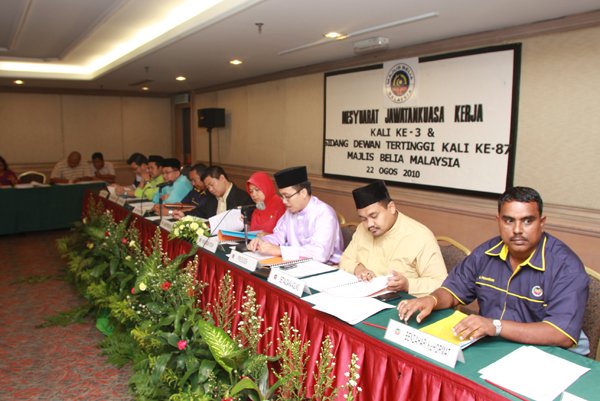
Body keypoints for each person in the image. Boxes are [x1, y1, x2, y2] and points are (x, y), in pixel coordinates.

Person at [397, 187, 590, 354]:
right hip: (495, 344)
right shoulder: (485, 254)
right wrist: (432, 299)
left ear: (542, 222)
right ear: (498, 221)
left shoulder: (566, 266)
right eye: (509, 220)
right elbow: (453, 290)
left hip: (551, 353)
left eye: (527, 221)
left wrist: (495, 326)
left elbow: (561, 334)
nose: (517, 230)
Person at [339, 180, 447, 297]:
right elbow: (345, 259)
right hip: (362, 296)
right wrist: (359, 269)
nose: (369, 224)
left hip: (402, 303)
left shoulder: (420, 236)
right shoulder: (362, 229)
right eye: (363, 219)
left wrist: (408, 284)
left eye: (374, 216)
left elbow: (440, 283)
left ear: (391, 207)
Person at [248, 166, 343, 264]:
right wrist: (262, 241)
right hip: (293, 262)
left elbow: (320, 254)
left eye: (287, 196)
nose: (284, 201)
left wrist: (280, 250)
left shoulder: (324, 213)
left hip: (324, 267)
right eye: (282, 196)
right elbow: (279, 236)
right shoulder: (290, 211)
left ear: (303, 193)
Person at [185, 166, 252, 219]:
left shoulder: (243, 199)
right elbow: (202, 211)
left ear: (222, 178)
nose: (210, 189)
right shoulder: (211, 196)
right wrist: (184, 215)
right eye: (208, 187)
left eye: (211, 184)